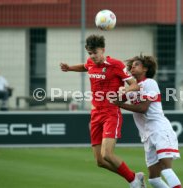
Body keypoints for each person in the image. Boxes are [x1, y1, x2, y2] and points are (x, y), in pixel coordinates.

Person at [60, 35, 146, 188]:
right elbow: (85, 66)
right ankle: (135, 177)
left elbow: (135, 84)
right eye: (90, 53)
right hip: (95, 115)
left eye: (95, 52)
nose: (92, 56)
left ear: (103, 50)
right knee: (100, 161)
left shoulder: (116, 65)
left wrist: (124, 90)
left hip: (111, 113)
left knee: (107, 154)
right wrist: (70, 68)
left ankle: (134, 183)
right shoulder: (90, 63)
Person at [111, 54, 182, 188]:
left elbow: (143, 108)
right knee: (154, 180)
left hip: (159, 130)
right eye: (131, 66)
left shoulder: (150, 83)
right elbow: (116, 99)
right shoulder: (134, 88)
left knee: (166, 168)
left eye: (136, 65)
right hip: (147, 136)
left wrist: (120, 104)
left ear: (145, 69)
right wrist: (117, 90)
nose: (132, 67)